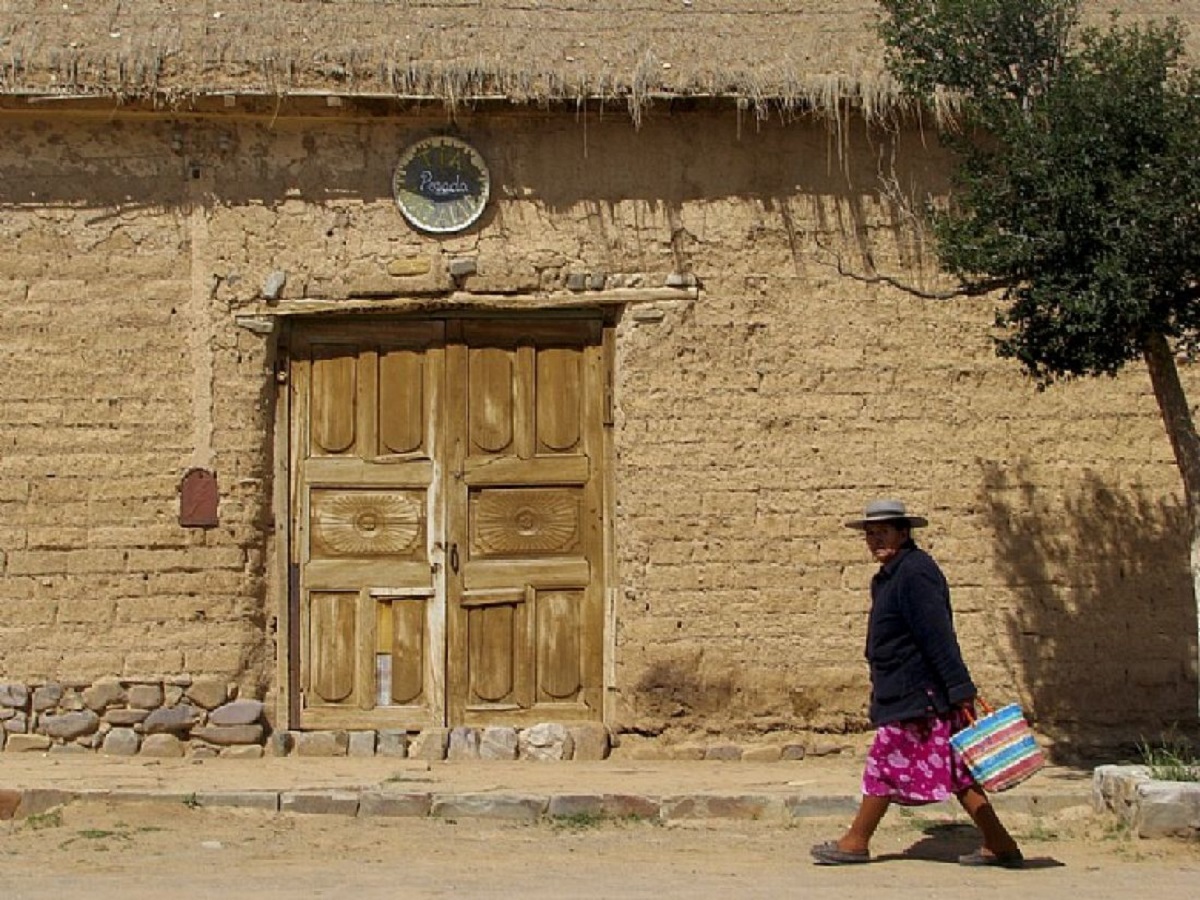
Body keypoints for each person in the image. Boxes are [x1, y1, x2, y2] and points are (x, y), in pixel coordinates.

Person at [809, 499, 1024, 868]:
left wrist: (960, 689)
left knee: (883, 764)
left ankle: (855, 841)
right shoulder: (894, 574)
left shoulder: (915, 574)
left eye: (883, 532)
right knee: (959, 771)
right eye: (870, 533)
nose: (875, 539)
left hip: (917, 694)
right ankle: (999, 843)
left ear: (904, 533)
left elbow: (937, 635)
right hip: (909, 690)